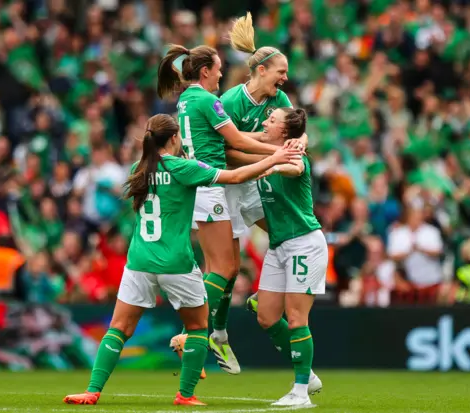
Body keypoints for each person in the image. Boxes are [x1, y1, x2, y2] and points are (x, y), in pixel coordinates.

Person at [63, 114, 300, 407]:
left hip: (139, 261)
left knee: (118, 328)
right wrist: (275, 158)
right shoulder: (183, 168)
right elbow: (236, 176)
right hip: (175, 263)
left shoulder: (140, 168)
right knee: (199, 328)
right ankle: (185, 395)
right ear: (175, 138)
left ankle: (92, 391)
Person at [157, 44, 285, 374]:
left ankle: (204, 336)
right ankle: (191, 334)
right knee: (225, 269)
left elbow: (239, 136)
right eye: (217, 69)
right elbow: (237, 142)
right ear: (204, 72)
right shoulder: (207, 100)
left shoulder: (186, 99)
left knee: (220, 267)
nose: (221, 75)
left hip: (200, 185)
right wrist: (275, 153)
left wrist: (267, 144)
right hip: (211, 186)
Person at [207, 12, 309, 372]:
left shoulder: (278, 98)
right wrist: (272, 153)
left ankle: (264, 298)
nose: (285, 77)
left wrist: (296, 145)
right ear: (261, 69)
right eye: (280, 71)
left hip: (255, 182)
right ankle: (217, 333)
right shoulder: (232, 101)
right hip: (231, 186)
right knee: (229, 267)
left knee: (285, 231)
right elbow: (228, 151)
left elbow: (297, 128)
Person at [231, 108, 326, 406]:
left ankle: (300, 392)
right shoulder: (266, 153)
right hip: (278, 245)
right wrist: (269, 161)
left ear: (286, 132)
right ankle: (308, 374)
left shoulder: (295, 153)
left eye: (272, 121)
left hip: (304, 244)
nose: (265, 122)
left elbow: (296, 167)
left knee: (297, 318)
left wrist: (275, 166)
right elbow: (234, 143)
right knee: (266, 315)